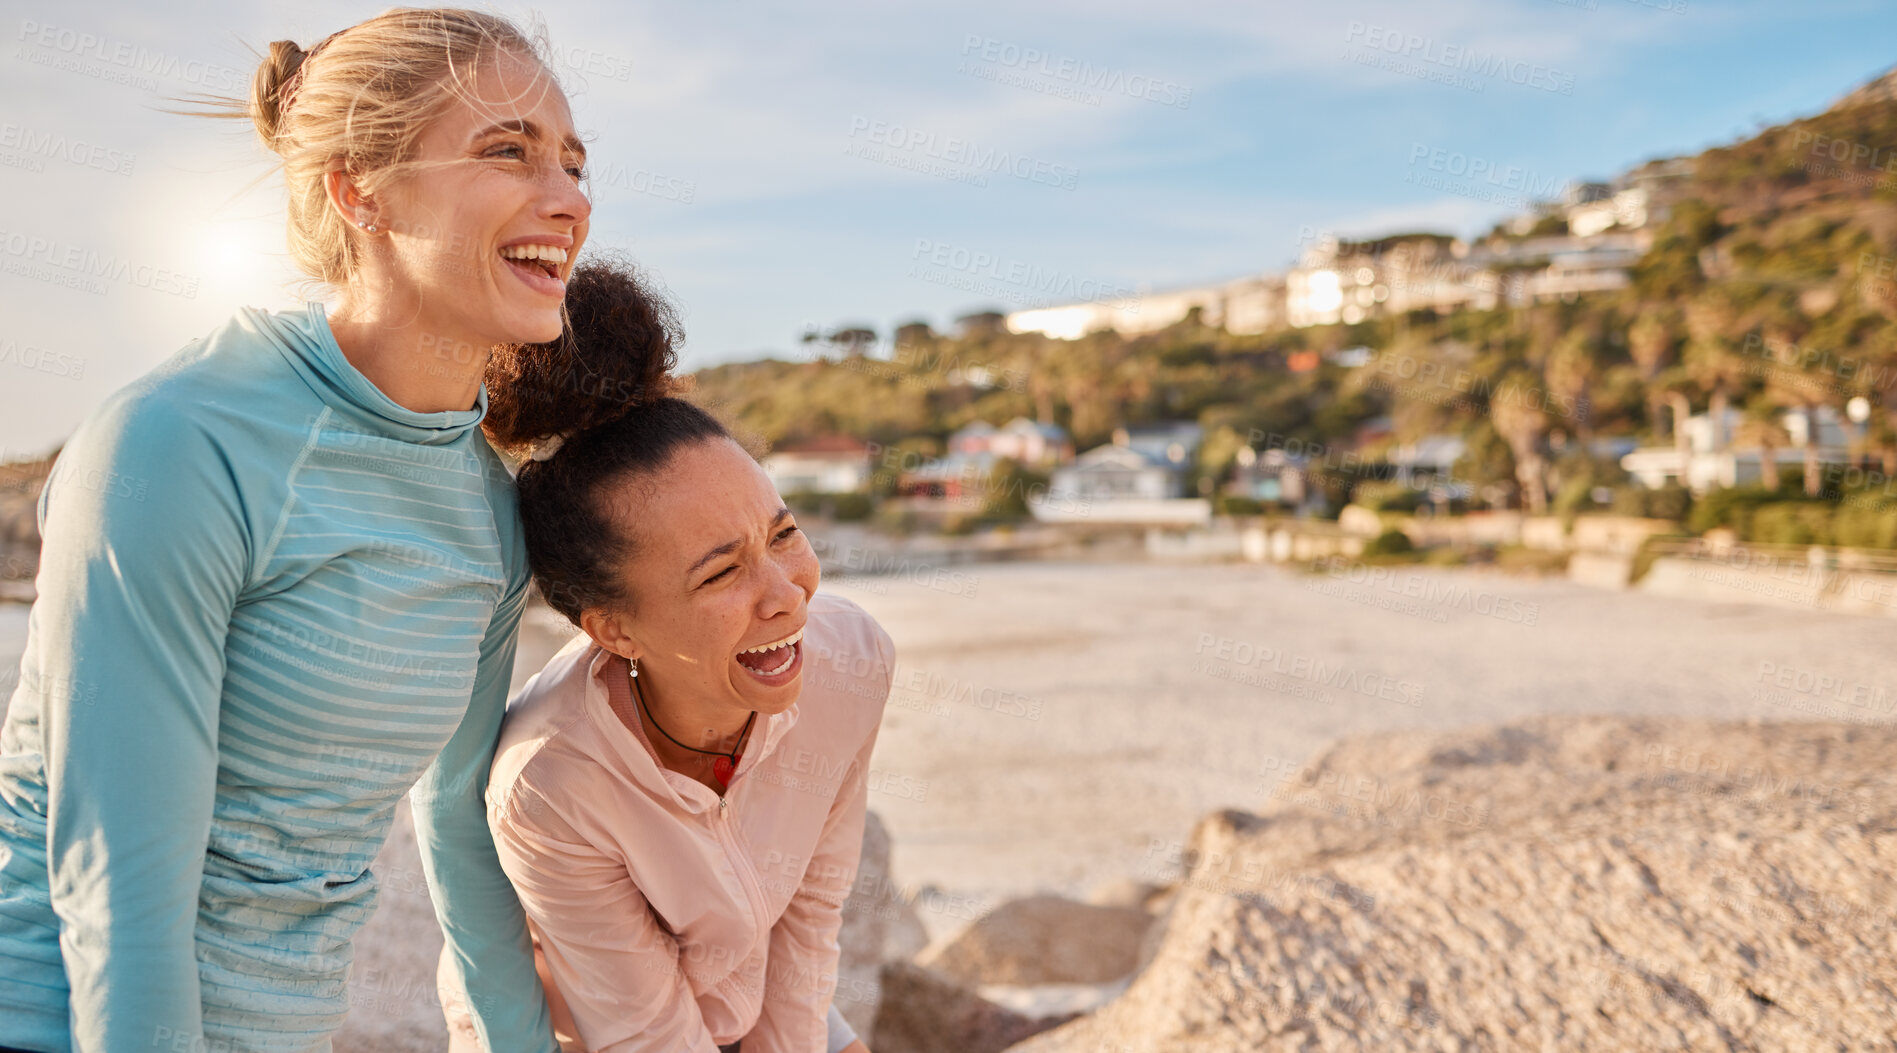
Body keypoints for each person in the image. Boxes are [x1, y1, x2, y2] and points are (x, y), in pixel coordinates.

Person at [0, 9, 591, 1051]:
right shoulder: (177, 444)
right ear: (360, 189)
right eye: (510, 152)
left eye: (574, 163)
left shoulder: (484, 511)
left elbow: (456, 823)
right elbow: (117, 888)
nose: (568, 201)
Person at [440, 258, 890, 1052]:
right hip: (585, 1022)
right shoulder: (552, 783)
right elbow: (643, 1029)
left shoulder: (850, 659)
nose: (785, 593)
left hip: (739, 980)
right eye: (720, 571)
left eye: (782, 534)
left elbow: (809, 912)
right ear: (612, 629)